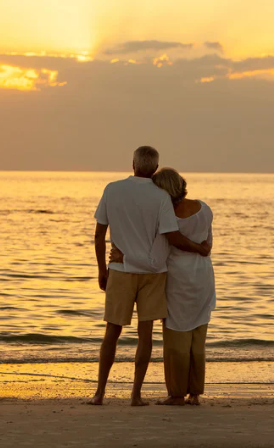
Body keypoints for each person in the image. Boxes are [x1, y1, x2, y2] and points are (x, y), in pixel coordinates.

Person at [89, 147, 210, 407]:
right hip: (154, 275)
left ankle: (99, 393)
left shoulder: (112, 189)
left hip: (120, 271)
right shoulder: (161, 197)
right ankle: (135, 394)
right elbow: (169, 235)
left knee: (112, 331)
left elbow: (99, 235)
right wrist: (201, 248)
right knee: (146, 334)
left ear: (132, 163)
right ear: (155, 168)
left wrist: (101, 269)